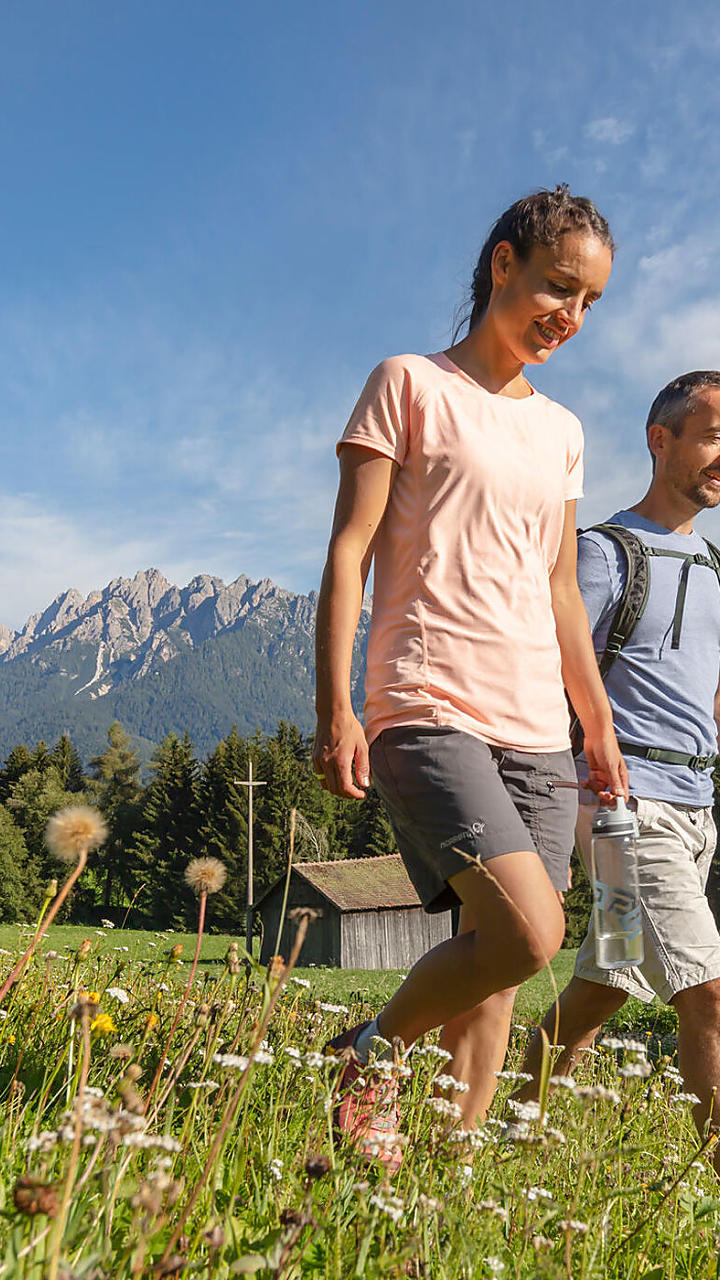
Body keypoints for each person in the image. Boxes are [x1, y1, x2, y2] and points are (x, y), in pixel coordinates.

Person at [312, 185, 627, 1168]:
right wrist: (337, 706)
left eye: (588, 303)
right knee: (532, 931)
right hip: (425, 700)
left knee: (499, 972)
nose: (569, 316)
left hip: (538, 723)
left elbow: (563, 591)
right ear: (503, 264)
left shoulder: (564, 430)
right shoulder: (408, 382)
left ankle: (443, 1178)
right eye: (556, 287)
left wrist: (598, 723)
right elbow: (348, 552)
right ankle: (369, 1053)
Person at [518, 371, 720, 1150]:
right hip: (622, 808)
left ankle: (512, 1132)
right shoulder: (601, 555)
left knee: (606, 984)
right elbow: (544, 670)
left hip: (697, 809)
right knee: (707, 991)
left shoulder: (714, 568)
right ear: (660, 440)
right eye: (710, 436)